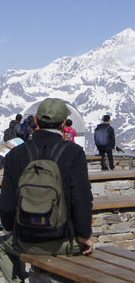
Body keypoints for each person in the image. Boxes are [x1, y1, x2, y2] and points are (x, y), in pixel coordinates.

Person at [0, 99, 95, 283]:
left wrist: (13, 229)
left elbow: (7, 206)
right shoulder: (74, 153)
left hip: (24, 241)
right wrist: (84, 236)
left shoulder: (15, 155)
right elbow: (81, 200)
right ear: (63, 124)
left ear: (35, 120)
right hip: (62, 242)